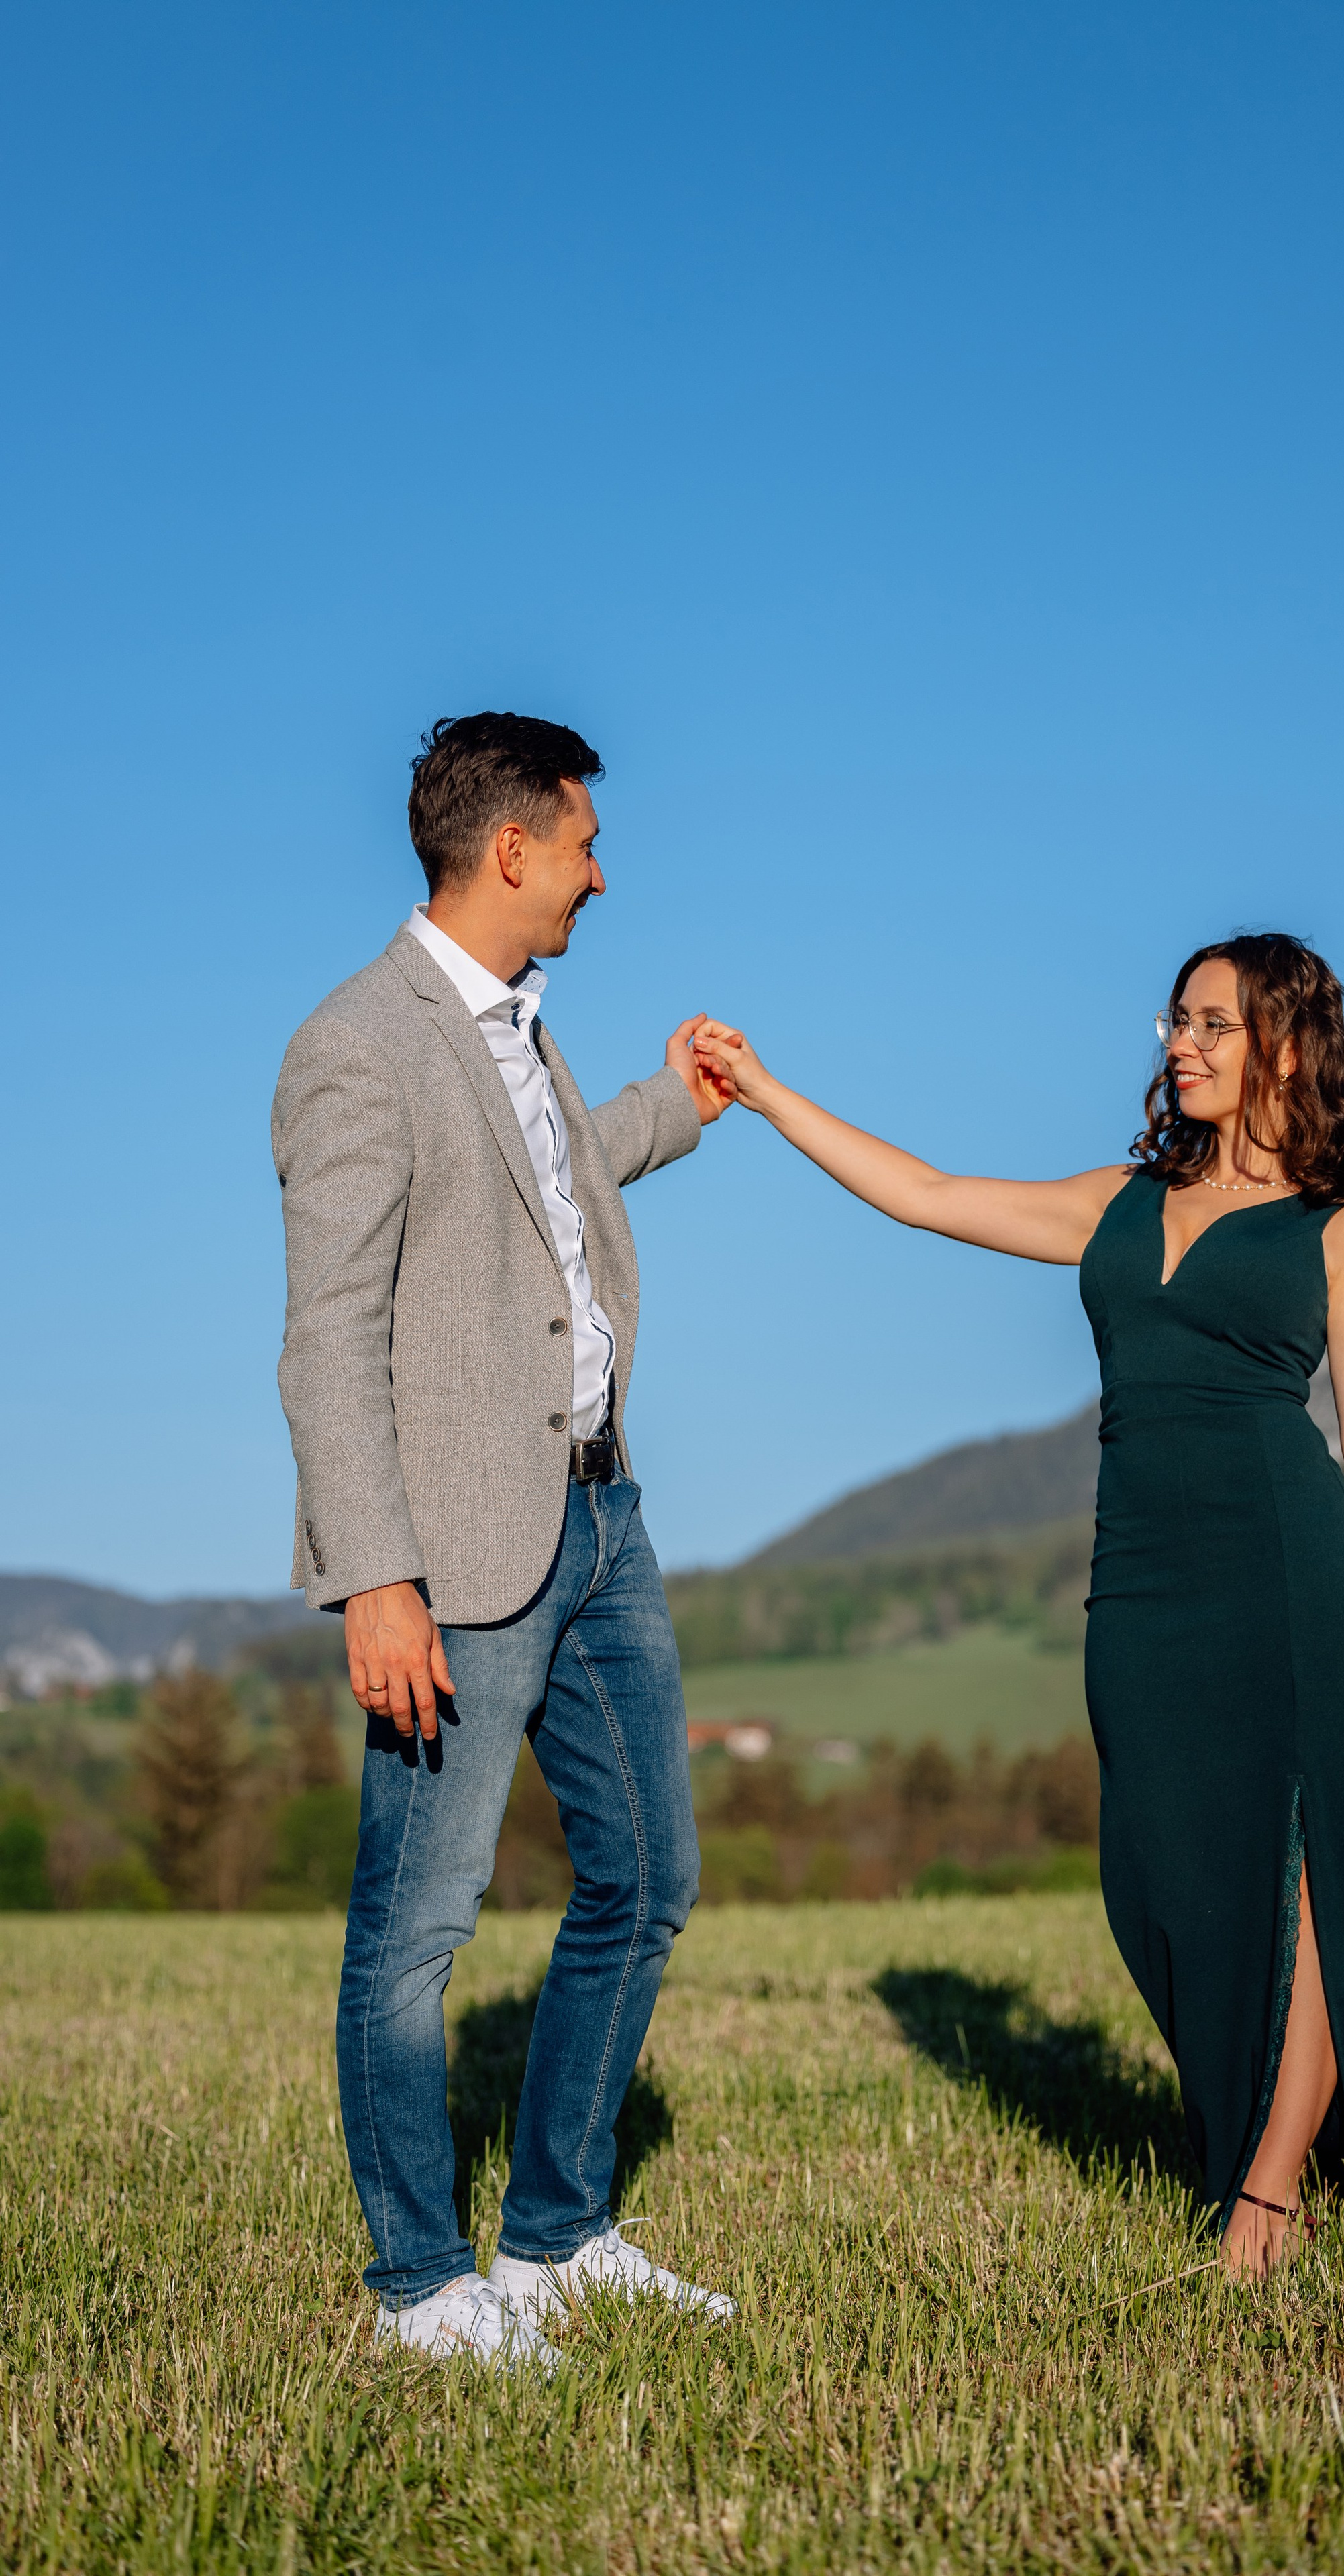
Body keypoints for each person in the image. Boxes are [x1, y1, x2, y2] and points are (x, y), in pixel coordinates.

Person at [692, 932, 1344, 2279]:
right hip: (1139, 1584)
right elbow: (931, 1194)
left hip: (1284, 1575)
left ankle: (1266, 2193)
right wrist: (770, 1099)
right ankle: (1267, 2129)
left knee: (1294, 1872)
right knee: (1158, 1883)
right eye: (1176, 1019)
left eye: (1213, 1024)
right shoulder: (1120, 1202)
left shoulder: (1339, 1228)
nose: (1180, 1042)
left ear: (1285, 1046)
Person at [274, 711, 738, 2363]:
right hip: (455, 1559)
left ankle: (553, 2237)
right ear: (514, 849)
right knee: (417, 1930)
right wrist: (372, 1576)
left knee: (647, 1878)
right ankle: (420, 2284)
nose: (603, 875)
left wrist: (670, 1105)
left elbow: (549, 1205)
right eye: (588, 843)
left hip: (602, 1516)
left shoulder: (520, 1033)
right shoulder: (358, 1044)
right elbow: (327, 1338)